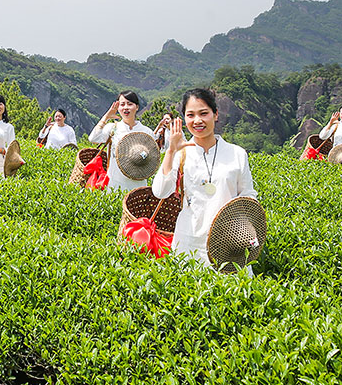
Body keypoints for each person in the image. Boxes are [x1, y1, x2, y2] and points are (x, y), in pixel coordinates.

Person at [152, 88, 257, 270]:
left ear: (215, 115)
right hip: (189, 242)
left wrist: (247, 232)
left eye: (203, 113)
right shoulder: (181, 153)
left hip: (229, 243)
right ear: (184, 119)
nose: (197, 121)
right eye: (190, 115)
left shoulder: (237, 154)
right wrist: (170, 152)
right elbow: (160, 191)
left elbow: (248, 196)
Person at [89, 90, 157, 191]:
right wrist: (106, 116)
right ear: (118, 107)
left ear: (137, 107)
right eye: (122, 104)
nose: (125, 107)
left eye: (130, 104)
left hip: (138, 184)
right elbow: (93, 138)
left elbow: (152, 159)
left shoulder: (147, 132)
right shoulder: (112, 128)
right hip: (114, 184)